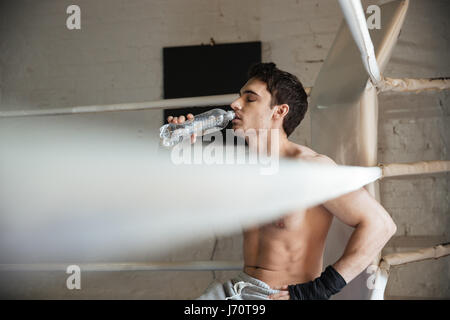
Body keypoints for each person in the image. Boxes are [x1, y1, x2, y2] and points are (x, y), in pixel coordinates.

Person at [166, 62, 397, 300]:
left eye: (250, 99)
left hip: (282, 295)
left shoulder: (310, 168)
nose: (235, 105)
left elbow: (381, 225)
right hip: (237, 290)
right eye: (239, 97)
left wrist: (319, 290)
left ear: (279, 111)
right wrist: (179, 149)